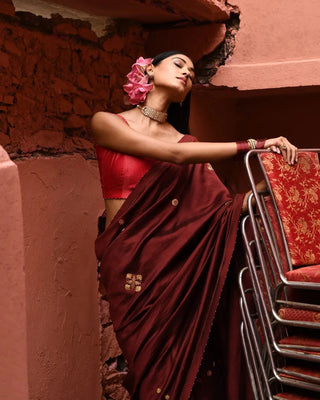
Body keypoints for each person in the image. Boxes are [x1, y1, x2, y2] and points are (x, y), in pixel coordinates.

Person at [91, 51, 298, 400]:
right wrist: (256, 145)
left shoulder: (187, 142)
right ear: (148, 69)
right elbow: (171, 155)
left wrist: (268, 183)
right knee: (147, 368)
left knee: (184, 370)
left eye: (191, 71)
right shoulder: (107, 123)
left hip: (178, 269)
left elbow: (218, 214)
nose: (187, 72)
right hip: (131, 267)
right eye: (178, 64)